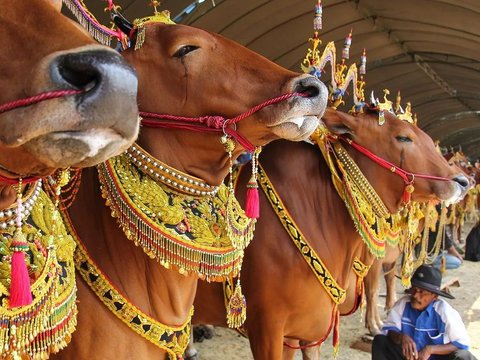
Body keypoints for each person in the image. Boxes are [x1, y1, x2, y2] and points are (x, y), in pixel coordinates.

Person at [372, 265, 476, 360]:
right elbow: (390, 331)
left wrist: (430, 349)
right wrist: (401, 337)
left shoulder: (444, 312)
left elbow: (461, 344)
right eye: (414, 289)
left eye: (421, 292)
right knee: (380, 341)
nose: (415, 295)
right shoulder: (403, 304)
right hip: (409, 358)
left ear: (434, 296)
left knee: (464, 356)